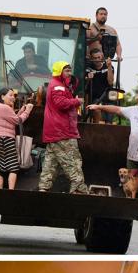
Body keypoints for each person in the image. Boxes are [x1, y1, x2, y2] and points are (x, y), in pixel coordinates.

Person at [90, 86, 138, 200]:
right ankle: (131, 198)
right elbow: (117, 109)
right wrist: (99, 107)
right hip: (133, 152)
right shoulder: (135, 110)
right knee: (131, 176)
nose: (137, 97)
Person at [38, 61, 88, 194]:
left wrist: (74, 81)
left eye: (70, 70)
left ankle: (44, 188)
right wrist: (77, 101)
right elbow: (61, 103)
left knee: (51, 162)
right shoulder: (58, 86)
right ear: (59, 71)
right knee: (73, 160)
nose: (70, 73)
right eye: (66, 70)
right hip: (62, 130)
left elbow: (70, 86)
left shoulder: (58, 84)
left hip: (55, 130)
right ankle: (79, 189)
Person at [0, 87, 34, 189]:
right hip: (5, 139)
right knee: (13, 168)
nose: (13, 98)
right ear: (2, 96)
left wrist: (21, 111)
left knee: (0, 170)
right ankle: (11, 192)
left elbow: (11, 119)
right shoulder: (4, 108)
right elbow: (18, 121)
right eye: (10, 95)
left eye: (13, 96)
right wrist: (28, 111)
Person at [85, 48, 114, 123]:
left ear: (102, 57)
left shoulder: (109, 67)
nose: (97, 60)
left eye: (99, 57)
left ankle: (107, 126)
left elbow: (110, 82)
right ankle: (96, 126)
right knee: (96, 109)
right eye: (95, 58)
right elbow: (85, 85)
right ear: (91, 58)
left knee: (109, 121)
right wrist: (88, 79)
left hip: (107, 97)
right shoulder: (88, 67)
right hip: (94, 97)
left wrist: (109, 66)